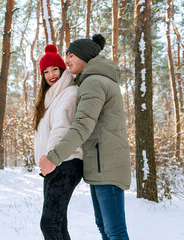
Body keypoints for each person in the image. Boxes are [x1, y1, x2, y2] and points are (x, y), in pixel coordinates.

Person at [39, 34, 131, 240]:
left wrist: (53, 157)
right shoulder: (93, 81)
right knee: (106, 227)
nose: (67, 61)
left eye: (71, 55)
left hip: (107, 164)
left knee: (114, 230)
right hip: (100, 164)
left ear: (84, 56)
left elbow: (82, 125)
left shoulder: (94, 83)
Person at [34, 44, 83, 240]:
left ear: (63, 69)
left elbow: (62, 130)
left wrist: (50, 158)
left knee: (49, 223)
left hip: (65, 163)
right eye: (46, 71)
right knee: (58, 223)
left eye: (55, 69)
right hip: (54, 164)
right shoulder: (51, 97)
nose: (51, 75)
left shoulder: (69, 93)